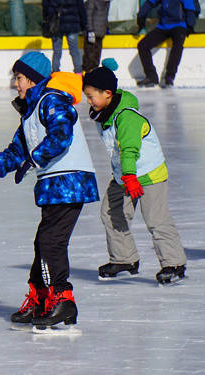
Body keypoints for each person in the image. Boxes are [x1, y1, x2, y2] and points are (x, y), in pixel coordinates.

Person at [0, 52, 99, 328]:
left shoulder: (52, 100)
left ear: (33, 78)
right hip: (55, 185)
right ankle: (41, 299)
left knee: (50, 242)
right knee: (43, 242)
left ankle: (62, 300)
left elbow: (62, 134)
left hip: (70, 182)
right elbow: (17, 150)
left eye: (18, 78)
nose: (15, 84)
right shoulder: (31, 110)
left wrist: (34, 159)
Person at [82, 58, 187, 285]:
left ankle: (174, 263)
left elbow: (129, 150)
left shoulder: (126, 117)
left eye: (91, 96)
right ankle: (124, 259)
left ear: (108, 93)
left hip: (148, 174)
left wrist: (129, 176)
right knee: (112, 212)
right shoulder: (104, 114)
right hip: (124, 175)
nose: (88, 101)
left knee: (156, 219)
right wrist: (125, 176)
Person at [136, 0, 199, 88]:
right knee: (142, 45)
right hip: (163, 26)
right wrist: (140, 16)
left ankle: (170, 77)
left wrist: (190, 25)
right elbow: (150, 2)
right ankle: (151, 76)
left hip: (179, 25)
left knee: (177, 46)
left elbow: (190, 9)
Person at [43, 0, 88, 74]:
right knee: (74, 50)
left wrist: (46, 20)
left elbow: (45, 7)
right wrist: (84, 25)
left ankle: (55, 72)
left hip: (55, 25)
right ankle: (78, 72)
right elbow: (81, 8)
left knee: (57, 51)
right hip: (72, 24)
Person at [82, 0, 112, 73]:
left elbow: (89, 16)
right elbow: (88, 16)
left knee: (93, 57)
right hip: (95, 33)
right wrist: (90, 30)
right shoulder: (97, 2)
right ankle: (89, 75)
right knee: (92, 56)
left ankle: (90, 75)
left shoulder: (105, 2)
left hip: (97, 32)